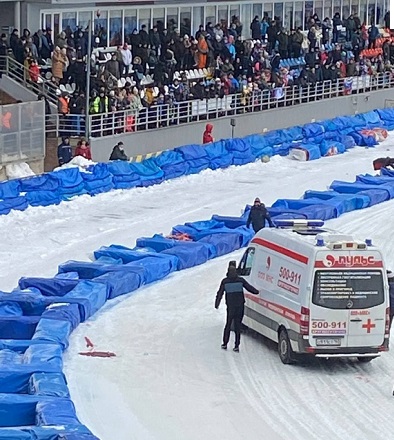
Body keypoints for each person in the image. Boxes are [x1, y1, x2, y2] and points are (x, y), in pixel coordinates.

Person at [215, 264, 259, 352]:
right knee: (237, 326)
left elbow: (220, 293)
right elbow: (250, 288)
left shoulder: (225, 282)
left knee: (228, 325)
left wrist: (217, 303)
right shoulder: (240, 280)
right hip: (240, 307)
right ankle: (236, 345)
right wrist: (257, 292)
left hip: (230, 307)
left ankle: (225, 343)